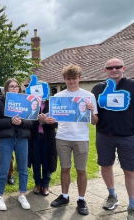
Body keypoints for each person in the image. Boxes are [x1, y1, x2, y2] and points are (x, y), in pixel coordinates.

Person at [91, 58, 134, 220]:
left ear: (124, 68)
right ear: (105, 70)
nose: (114, 70)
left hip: (129, 137)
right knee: (105, 166)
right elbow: (93, 114)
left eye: (118, 67)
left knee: (130, 171)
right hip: (104, 136)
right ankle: (112, 196)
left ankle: (132, 206)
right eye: (110, 67)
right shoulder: (98, 88)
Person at [50, 64, 98, 216]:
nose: (71, 81)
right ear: (64, 79)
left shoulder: (88, 96)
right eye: (68, 79)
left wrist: (91, 110)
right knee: (64, 168)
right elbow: (53, 120)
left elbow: (95, 122)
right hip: (62, 137)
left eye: (74, 78)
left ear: (80, 78)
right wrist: (46, 119)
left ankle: (81, 199)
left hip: (81, 138)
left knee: (81, 170)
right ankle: (64, 196)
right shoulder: (57, 97)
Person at [0, 78, 33, 211]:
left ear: (19, 89)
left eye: (16, 87)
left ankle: (22, 194)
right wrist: (10, 122)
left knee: (23, 169)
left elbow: (31, 122)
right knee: (3, 169)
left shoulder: (26, 102)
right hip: (6, 139)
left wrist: (21, 123)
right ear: (7, 89)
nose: (14, 89)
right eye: (11, 86)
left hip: (21, 138)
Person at [28, 99, 58, 196]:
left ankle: (45, 185)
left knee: (47, 161)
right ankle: (37, 184)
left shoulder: (52, 104)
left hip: (48, 138)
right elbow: (27, 120)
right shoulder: (30, 103)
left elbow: (57, 123)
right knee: (35, 161)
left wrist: (45, 121)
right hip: (34, 137)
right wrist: (38, 119)